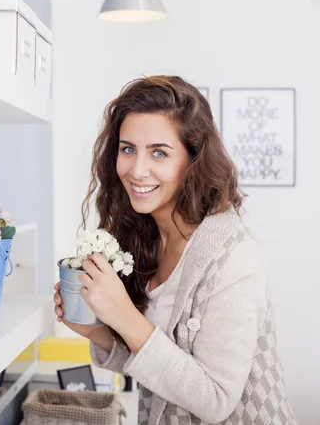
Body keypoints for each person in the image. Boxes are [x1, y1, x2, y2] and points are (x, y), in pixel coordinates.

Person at [53, 76, 295, 424]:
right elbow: (156, 367)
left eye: (159, 153)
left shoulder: (235, 258)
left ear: (192, 160)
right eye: (128, 149)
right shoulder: (143, 237)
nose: (137, 170)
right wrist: (99, 332)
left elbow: (215, 400)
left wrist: (123, 315)